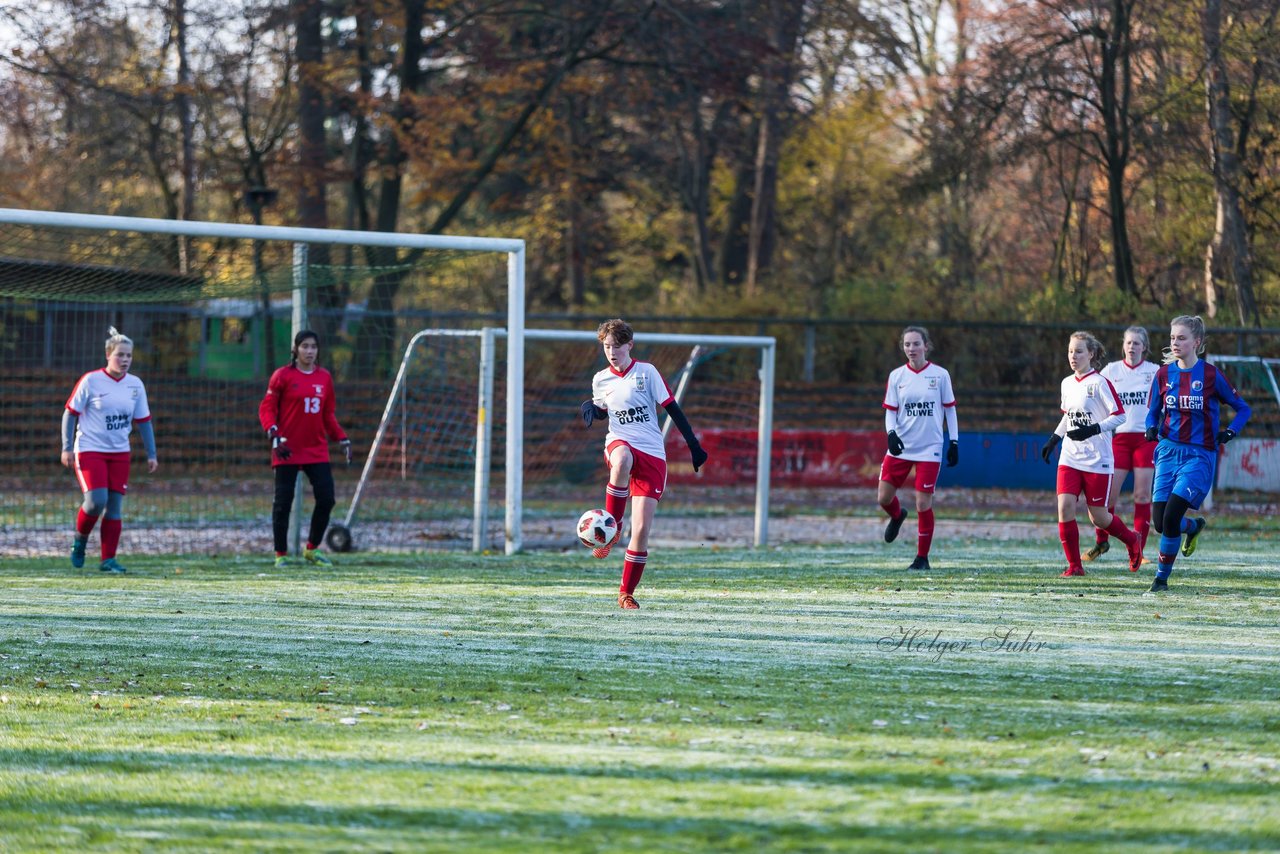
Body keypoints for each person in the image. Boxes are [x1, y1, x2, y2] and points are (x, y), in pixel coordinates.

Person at [580, 319, 708, 609]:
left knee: (641, 532)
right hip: (620, 443)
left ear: (630, 345)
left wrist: (694, 446)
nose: (612, 352)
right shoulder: (601, 379)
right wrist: (591, 409)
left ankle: (626, 593)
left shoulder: (647, 372)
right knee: (622, 458)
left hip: (651, 453)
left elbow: (672, 408)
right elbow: (603, 408)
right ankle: (612, 527)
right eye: (607, 347)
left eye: (617, 346)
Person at [1143, 315, 1251, 593]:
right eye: (1172, 338)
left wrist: (1231, 432)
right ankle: (1192, 527)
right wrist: (1150, 428)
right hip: (1167, 452)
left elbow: (1243, 408)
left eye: (1181, 338)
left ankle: (1160, 580)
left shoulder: (1211, 375)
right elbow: (1152, 412)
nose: (1175, 343)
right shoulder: (1164, 375)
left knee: (1170, 519)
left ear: (1197, 342)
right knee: (1160, 522)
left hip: (1199, 455)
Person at [1040, 331, 1144, 577]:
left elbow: (1120, 415)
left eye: (1078, 351)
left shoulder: (1099, 383)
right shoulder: (1067, 383)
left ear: (1091, 354)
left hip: (1097, 460)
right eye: (1070, 351)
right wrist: (1054, 439)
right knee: (1064, 507)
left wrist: (1093, 429)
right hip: (1070, 457)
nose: (1073, 356)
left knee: (1098, 517)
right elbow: (1069, 416)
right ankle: (1075, 566)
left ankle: (1132, 540)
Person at [62, 326, 158, 574]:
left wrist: (152, 454)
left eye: (129, 356)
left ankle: (108, 560)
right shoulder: (91, 380)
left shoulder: (135, 385)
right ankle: (80, 540)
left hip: (120, 453)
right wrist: (66, 447)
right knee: (96, 501)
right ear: (108, 355)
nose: (125, 360)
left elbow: (144, 421)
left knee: (114, 507)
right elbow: (70, 413)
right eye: (120, 355)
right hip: (90, 449)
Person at [258, 330, 351, 568]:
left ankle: (312, 549)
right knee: (283, 503)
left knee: (327, 498)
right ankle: (281, 554)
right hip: (286, 447)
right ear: (296, 349)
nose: (309, 351)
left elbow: (327, 414)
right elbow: (267, 408)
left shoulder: (324, 378)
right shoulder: (282, 376)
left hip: (316, 449)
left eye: (313, 347)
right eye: (305, 346)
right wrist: (273, 432)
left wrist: (341, 437)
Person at [878, 326, 960, 571]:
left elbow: (950, 410)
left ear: (926, 345)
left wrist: (954, 441)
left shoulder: (940, 375)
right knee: (883, 498)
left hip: (929, 448)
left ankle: (922, 558)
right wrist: (891, 434)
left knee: (923, 504)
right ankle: (896, 515)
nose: (911, 349)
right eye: (907, 345)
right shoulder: (896, 377)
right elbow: (890, 412)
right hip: (901, 445)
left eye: (916, 344)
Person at [1085, 326, 1160, 565]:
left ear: (1144, 347)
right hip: (1119, 439)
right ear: (1123, 346)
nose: (1131, 347)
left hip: (1145, 440)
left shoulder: (1155, 371)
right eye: (1128, 342)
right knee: (1108, 497)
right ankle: (1101, 542)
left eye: (1137, 343)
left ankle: (1140, 548)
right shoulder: (1111, 371)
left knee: (1141, 494)